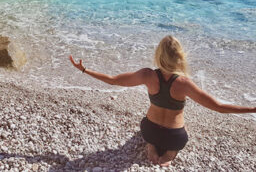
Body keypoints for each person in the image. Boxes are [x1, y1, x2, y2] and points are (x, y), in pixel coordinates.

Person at [69, 35, 256, 167]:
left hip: (148, 131)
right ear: (180, 57)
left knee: (150, 129)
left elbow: (113, 80)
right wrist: (253, 109)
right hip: (175, 138)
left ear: (159, 55)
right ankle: (169, 153)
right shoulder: (184, 84)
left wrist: (84, 70)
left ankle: (151, 145)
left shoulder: (147, 75)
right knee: (183, 129)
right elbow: (219, 107)